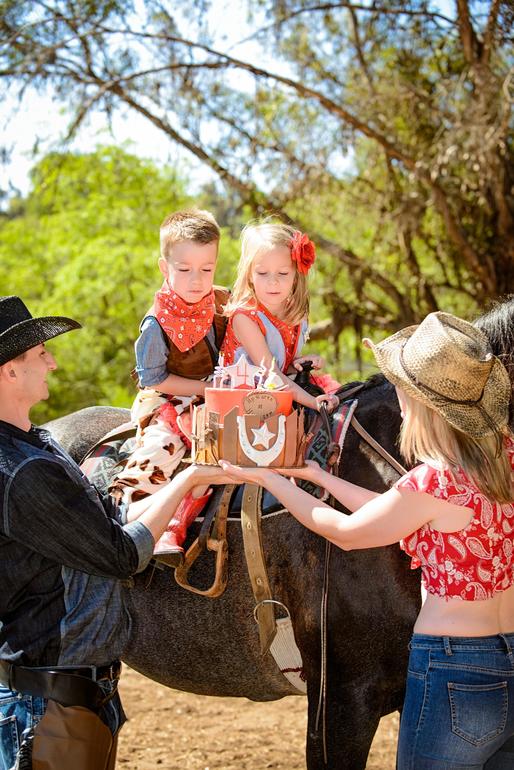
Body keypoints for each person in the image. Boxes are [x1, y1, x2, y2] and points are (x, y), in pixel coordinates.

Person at [218, 311, 514, 770]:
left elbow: (346, 533)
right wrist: (319, 478)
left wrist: (273, 482)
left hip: (454, 666)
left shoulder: (433, 482)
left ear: (422, 403)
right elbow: (389, 510)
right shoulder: (503, 461)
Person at [0, 295, 227, 770]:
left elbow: (106, 519)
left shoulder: (37, 445)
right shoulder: (23, 472)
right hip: (47, 704)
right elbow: (122, 553)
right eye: (41, 354)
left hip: (72, 693)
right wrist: (188, 478)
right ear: (9, 371)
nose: (54, 363)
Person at [110, 208, 230, 566]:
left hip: (215, 394)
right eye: (184, 269)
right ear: (164, 268)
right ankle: (132, 514)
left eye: (206, 269)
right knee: (163, 447)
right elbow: (153, 378)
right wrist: (203, 389)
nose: (197, 280)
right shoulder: (156, 325)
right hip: (168, 397)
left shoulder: (220, 302)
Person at [221, 221, 340, 412]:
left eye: (283, 273)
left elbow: (282, 366)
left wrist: (297, 365)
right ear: (250, 274)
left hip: (280, 391)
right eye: (262, 272)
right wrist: (313, 402)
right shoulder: (245, 318)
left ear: (295, 274)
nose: (273, 282)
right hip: (244, 403)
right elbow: (270, 374)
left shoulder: (295, 312)